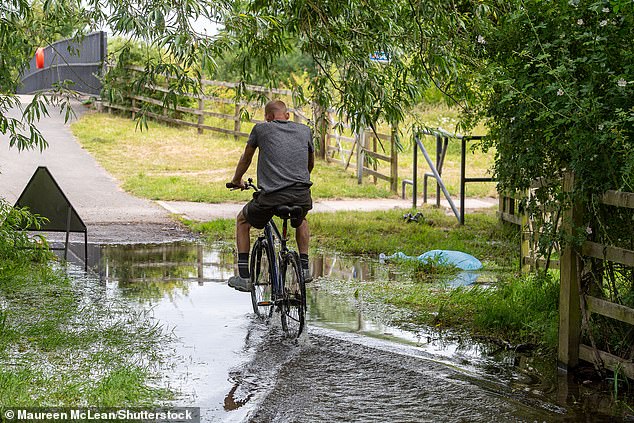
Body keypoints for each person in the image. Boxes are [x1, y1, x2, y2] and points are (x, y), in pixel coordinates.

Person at [227, 100, 314, 292]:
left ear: (268, 117)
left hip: (272, 197)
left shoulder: (261, 129)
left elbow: (246, 158)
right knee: (302, 220)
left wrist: (237, 180)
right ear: (287, 115)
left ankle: (244, 277)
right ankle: (305, 268)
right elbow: (310, 164)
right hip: (301, 195)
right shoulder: (305, 131)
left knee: (242, 221)